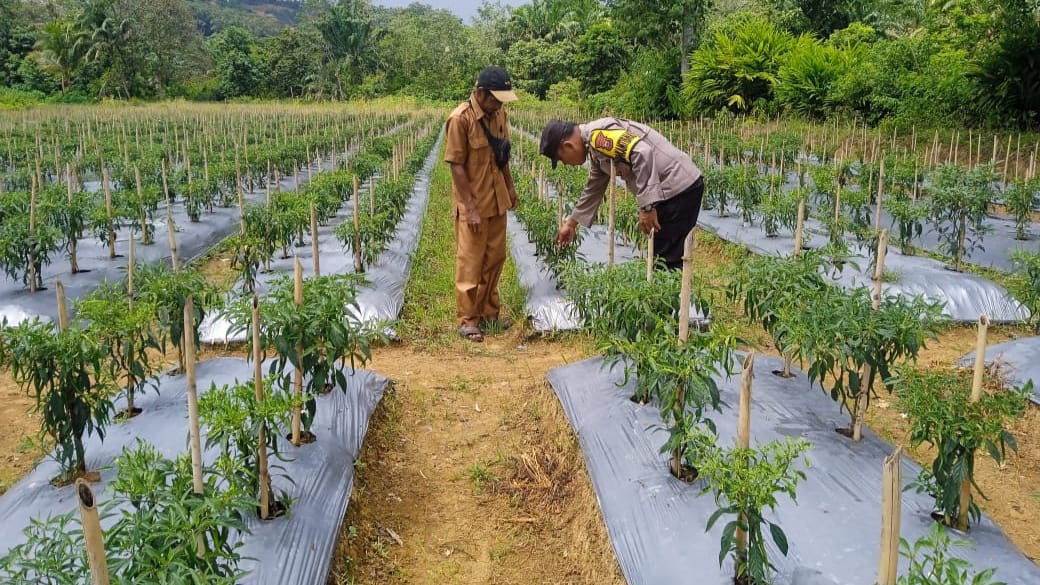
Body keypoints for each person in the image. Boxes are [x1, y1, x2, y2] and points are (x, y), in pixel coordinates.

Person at [539, 118, 704, 270]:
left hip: (678, 188)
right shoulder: (594, 148)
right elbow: (594, 186)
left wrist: (647, 206)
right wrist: (571, 224)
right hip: (673, 190)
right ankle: (669, 297)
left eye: (562, 159)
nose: (566, 164)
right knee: (662, 258)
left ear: (568, 146)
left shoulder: (598, 138)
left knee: (665, 261)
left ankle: (667, 300)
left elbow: (642, 152)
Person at [445, 66, 519, 342]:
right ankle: (468, 320)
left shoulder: (499, 114)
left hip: (497, 199)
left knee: (495, 258)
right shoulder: (459, 119)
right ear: (480, 93)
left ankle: (489, 313)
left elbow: (503, 155)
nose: (500, 104)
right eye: (496, 98)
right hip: (473, 204)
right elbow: (456, 165)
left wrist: (510, 188)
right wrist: (471, 207)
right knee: (470, 263)